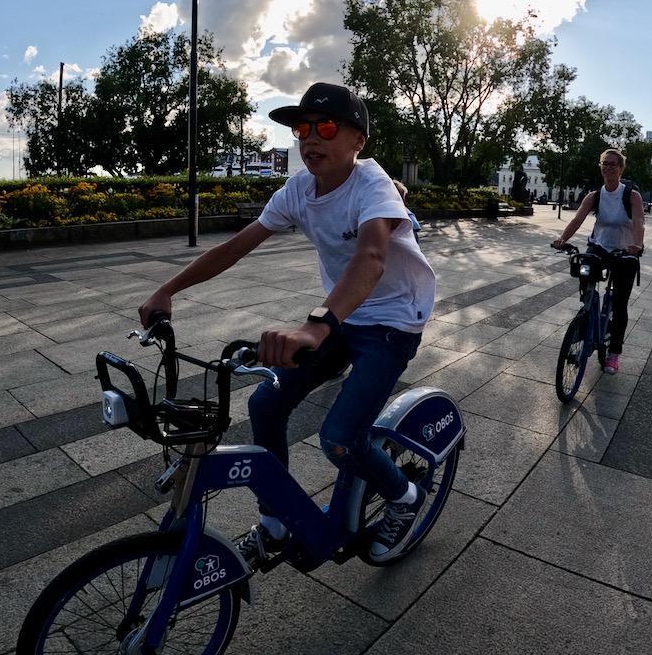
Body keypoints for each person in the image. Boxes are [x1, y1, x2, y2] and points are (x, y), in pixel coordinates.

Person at [138, 82, 436, 565]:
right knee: (266, 403)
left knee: (339, 438)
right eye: (302, 129)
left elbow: (373, 256)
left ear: (358, 140)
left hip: (393, 320)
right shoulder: (298, 189)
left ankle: (403, 497)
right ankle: (275, 521)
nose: (310, 138)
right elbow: (235, 247)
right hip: (343, 314)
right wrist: (167, 289)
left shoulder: (373, 185)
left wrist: (315, 327)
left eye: (325, 127)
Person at [551, 147, 644, 375]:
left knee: (620, 304)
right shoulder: (595, 196)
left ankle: (613, 353)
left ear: (621, 169)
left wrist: (637, 246)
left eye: (613, 164)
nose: (609, 167)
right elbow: (577, 219)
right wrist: (563, 239)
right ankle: (588, 313)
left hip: (625, 252)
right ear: (600, 166)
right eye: (605, 163)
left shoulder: (631, 195)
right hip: (600, 247)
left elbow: (639, 222)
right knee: (585, 275)